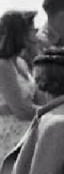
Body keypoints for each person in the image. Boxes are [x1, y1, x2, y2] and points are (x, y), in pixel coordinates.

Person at [0, 10, 41, 160]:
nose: (36, 35)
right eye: (32, 30)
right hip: (11, 137)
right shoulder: (3, 65)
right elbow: (20, 109)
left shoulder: (21, 63)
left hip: (29, 130)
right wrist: (52, 112)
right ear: (20, 33)